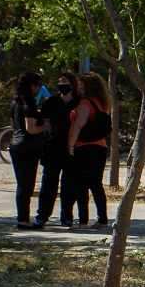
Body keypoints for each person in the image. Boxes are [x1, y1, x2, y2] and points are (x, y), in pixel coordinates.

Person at [66, 72, 113, 228]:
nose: (78, 87)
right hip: (100, 147)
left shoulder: (85, 103)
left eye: (80, 84)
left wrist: (71, 145)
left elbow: (79, 124)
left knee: (82, 184)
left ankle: (83, 220)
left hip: (84, 147)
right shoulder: (103, 104)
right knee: (96, 184)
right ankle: (102, 219)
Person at [34, 71, 80, 228]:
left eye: (65, 81)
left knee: (69, 184)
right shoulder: (52, 102)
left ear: (72, 85)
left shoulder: (79, 102)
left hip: (71, 148)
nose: (62, 84)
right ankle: (42, 215)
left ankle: (67, 216)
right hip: (53, 147)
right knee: (48, 183)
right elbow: (43, 120)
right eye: (60, 81)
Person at [10, 72, 49, 229]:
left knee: (21, 183)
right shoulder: (30, 104)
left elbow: (15, 124)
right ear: (33, 86)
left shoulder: (15, 103)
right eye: (37, 86)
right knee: (27, 184)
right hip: (28, 147)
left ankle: (22, 217)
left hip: (16, 145)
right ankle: (23, 219)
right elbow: (31, 129)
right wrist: (45, 126)